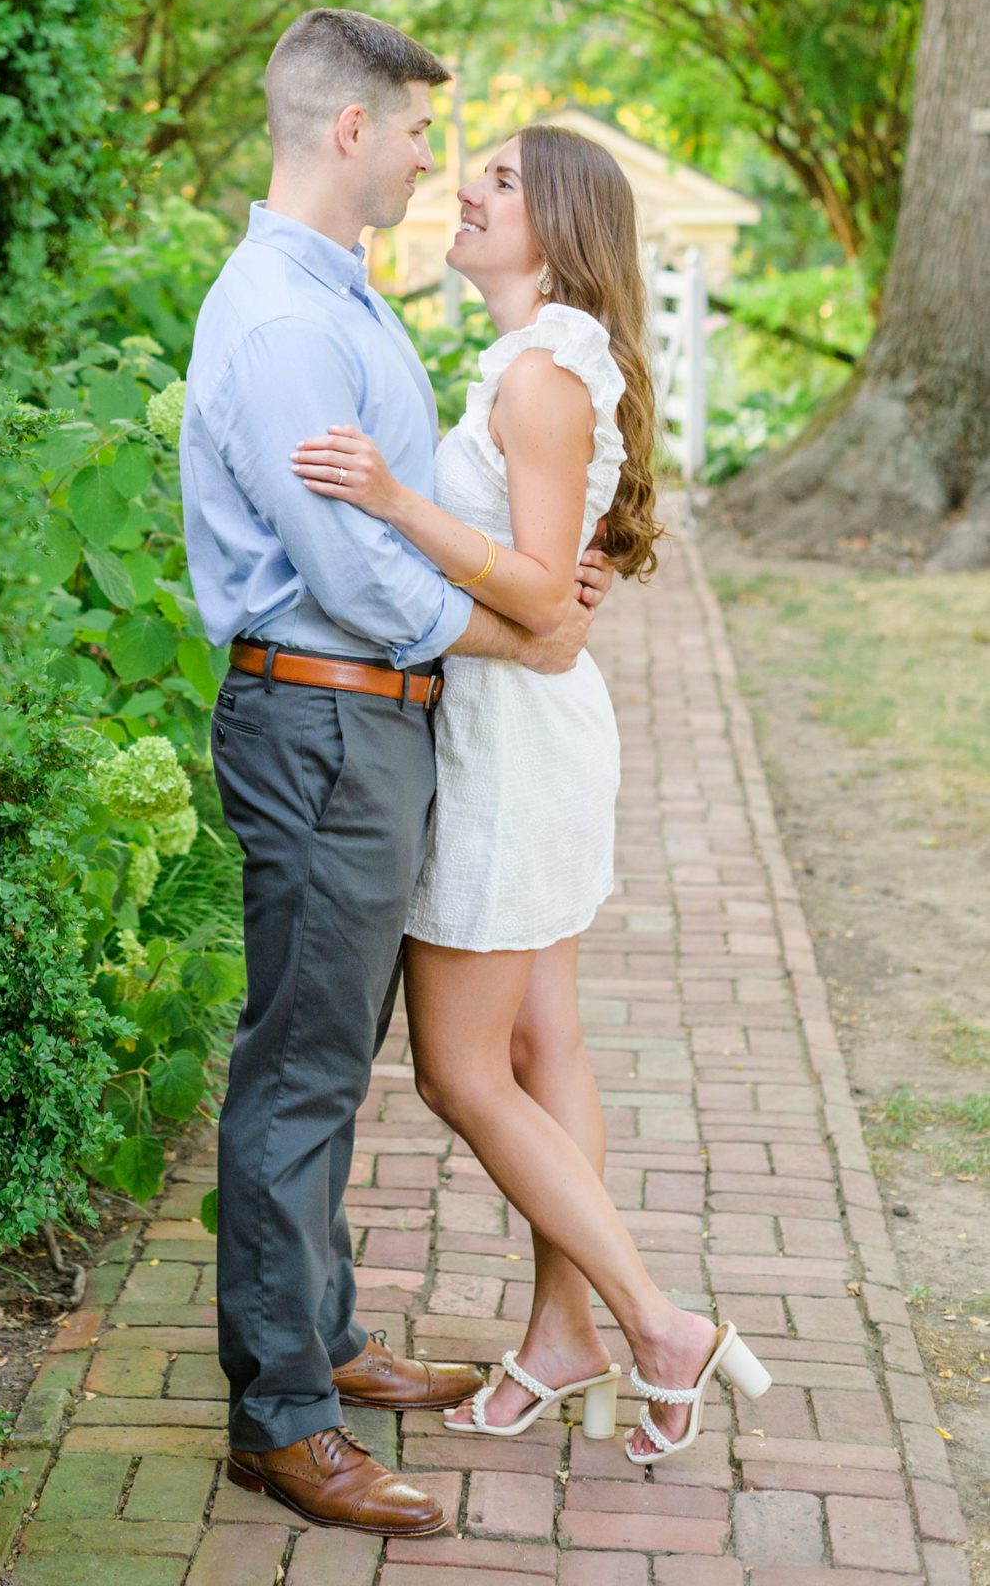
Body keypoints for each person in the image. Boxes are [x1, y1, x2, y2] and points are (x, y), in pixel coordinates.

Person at [181, 12, 612, 1537]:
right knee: (297, 1067)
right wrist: (512, 631)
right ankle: (281, 1419)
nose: (437, 158)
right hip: (324, 716)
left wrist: (528, 593)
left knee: (328, 1055)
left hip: (367, 722)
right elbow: (347, 569)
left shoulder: (338, 298)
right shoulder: (289, 322)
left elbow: (418, 518)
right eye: (423, 131)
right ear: (350, 130)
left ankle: (328, 1342)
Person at [292, 121, 771, 1465]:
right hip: (525, 722)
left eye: (500, 181)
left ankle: (655, 1324)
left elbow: (533, 581)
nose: (469, 189)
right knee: (539, 1043)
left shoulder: (545, 373)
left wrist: (391, 498)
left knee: (457, 1066)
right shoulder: (540, 362)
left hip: (513, 743)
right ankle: (568, 1339)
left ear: (556, 229)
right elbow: (556, 578)